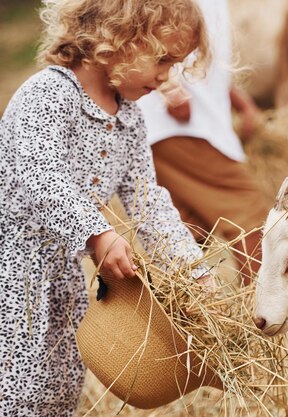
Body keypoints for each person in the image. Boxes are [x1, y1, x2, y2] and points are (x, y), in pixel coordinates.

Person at [0, 0, 212, 415]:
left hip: (64, 279)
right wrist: (96, 232)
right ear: (117, 39)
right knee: (13, 390)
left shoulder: (130, 118)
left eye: (177, 64)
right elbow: (40, 172)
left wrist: (193, 270)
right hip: (13, 273)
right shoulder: (49, 94)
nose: (167, 76)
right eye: (163, 58)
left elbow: (148, 202)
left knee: (59, 390)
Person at [137, 0, 270, 284]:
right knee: (249, 216)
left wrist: (238, 101)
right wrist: (170, 89)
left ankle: (169, 323)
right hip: (182, 122)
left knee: (189, 231)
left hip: (190, 119)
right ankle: (256, 318)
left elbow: (205, 57)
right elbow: (145, 22)